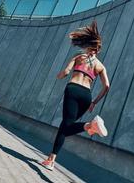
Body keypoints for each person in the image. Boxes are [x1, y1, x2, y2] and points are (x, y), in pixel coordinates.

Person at [41, 21, 110, 171]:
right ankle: (51, 159)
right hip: (86, 96)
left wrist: (58, 76)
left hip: (73, 90)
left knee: (66, 124)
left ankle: (89, 126)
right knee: (66, 125)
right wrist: (94, 102)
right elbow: (107, 86)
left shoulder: (78, 56)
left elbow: (66, 72)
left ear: (89, 45)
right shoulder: (100, 66)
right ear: (98, 50)